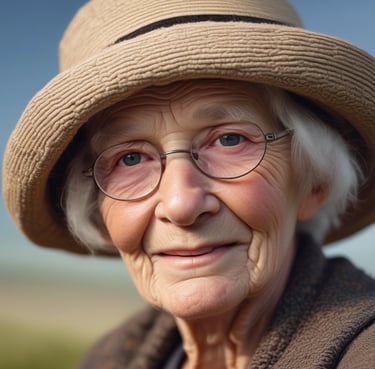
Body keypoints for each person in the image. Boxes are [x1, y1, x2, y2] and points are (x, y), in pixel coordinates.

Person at [3, 0, 375, 368]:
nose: (181, 204)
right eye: (130, 158)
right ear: (98, 212)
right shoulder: (108, 358)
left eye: (229, 140)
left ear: (313, 183)